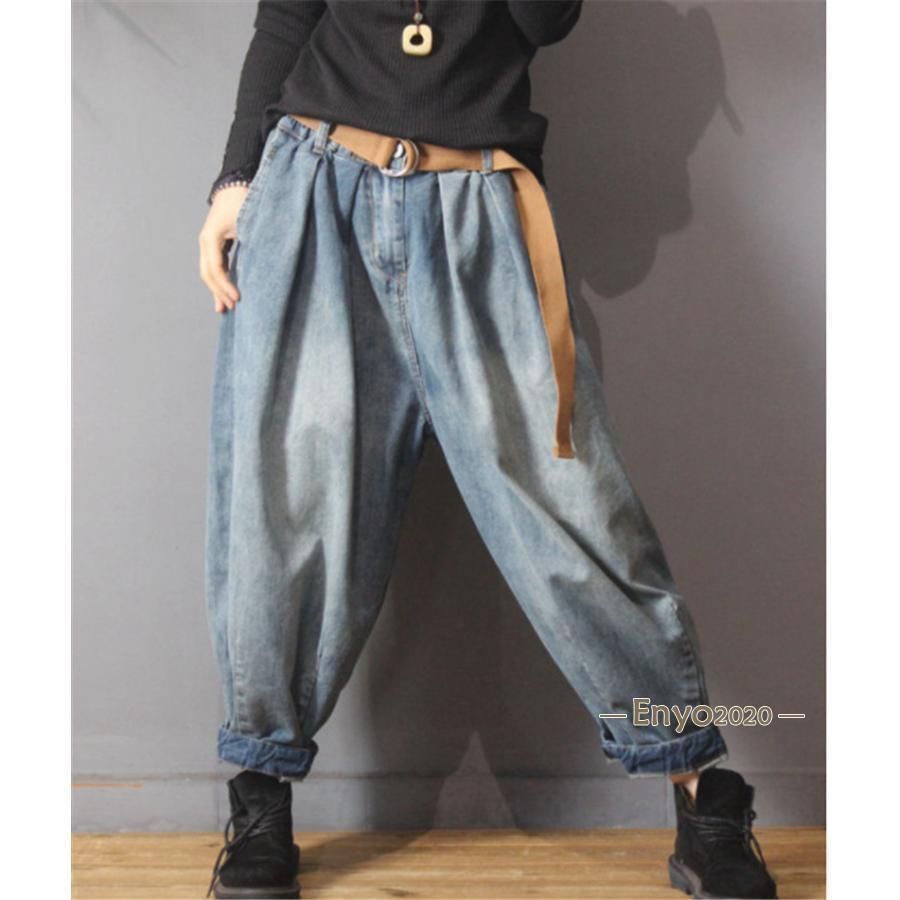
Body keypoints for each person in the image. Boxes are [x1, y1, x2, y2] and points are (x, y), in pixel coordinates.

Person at [197, 3, 777, 899]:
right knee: (288, 510)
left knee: (574, 516)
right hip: (315, 190)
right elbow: (285, 18)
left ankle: (704, 792)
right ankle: (260, 791)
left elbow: (546, 19)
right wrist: (236, 178)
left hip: (475, 206)